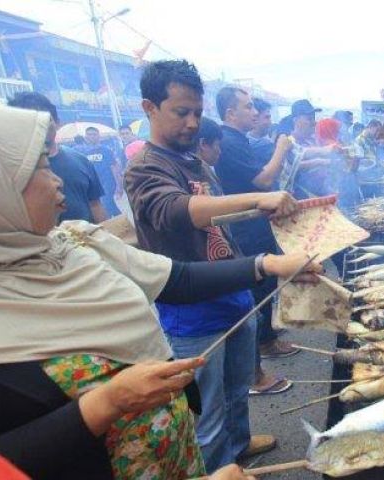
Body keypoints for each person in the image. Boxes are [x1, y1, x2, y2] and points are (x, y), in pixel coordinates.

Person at [0, 100, 308, 479]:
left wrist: (266, 264)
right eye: (37, 166)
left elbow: (176, 279)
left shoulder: (74, 244)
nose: (55, 178)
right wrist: (108, 402)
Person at [124, 60, 316, 470]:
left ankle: (239, 448)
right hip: (191, 309)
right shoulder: (145, 168)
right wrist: (253, 200)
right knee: (206, 415)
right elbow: (176, 211)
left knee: (235, 391)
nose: (193, 123)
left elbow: (219, 219)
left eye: (197, 112)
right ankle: (219, 469)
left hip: (232, 293)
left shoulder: (197, 163)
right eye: (181, 112)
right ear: (149, 108)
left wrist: (261, 217)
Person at [214, 87, 300, 386]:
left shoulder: (239, 140)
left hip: (255, 225)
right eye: (248, 107)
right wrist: (281, 148)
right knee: (255, 295)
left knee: (264, 292)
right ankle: (255, 372)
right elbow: (263, 180)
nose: (254, 112)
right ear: (230, 113)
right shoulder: (229, 141)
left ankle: (266, 341)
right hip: (244, 231)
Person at [7, 91, 107, 224]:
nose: (40, 128)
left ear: (57, 122)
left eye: (45, 121)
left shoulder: (80, 161)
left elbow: (95, 205)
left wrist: (108, 236)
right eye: (31, 123)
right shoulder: (10, 169)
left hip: (85, 241)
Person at [289, 99, 340, 197]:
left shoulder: (312, 141)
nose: (314, 122)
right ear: (296, 120)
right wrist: (320, 161)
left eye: (313, 118)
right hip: (304, 199)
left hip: (323, 194)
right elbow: (292, 167)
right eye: (309, 119)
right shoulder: (289, 143)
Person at [77, 126, 122, 217]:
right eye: (89, 134)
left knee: (105, 204)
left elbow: (114, 167)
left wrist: (119, 185)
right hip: (93, 184)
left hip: (107, 183)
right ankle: (121, 220)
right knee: (110, 205)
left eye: (94, 134)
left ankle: (110, 225)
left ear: (98, 136)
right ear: (85, 137)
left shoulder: (106, 150)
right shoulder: (82, 153)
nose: (92, 137)